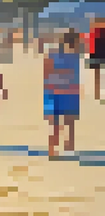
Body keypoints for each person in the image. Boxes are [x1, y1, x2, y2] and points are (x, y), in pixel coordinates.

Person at [43, 30, 82, 159]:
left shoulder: (53, 54)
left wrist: (47, 89)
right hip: (69, 92)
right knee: (69, 121)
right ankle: (68, 146)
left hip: (55, 91)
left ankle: (53, 149)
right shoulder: (75, 56)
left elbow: (46, 73)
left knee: (55, 122)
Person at [88, 17, 105, 101]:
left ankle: (97, 94)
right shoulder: (94, 27)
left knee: (97, 74)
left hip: (96, 49)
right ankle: (97, 94)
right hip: (97, 49)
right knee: (97, 74)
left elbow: (91, 39)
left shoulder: (94, 26)